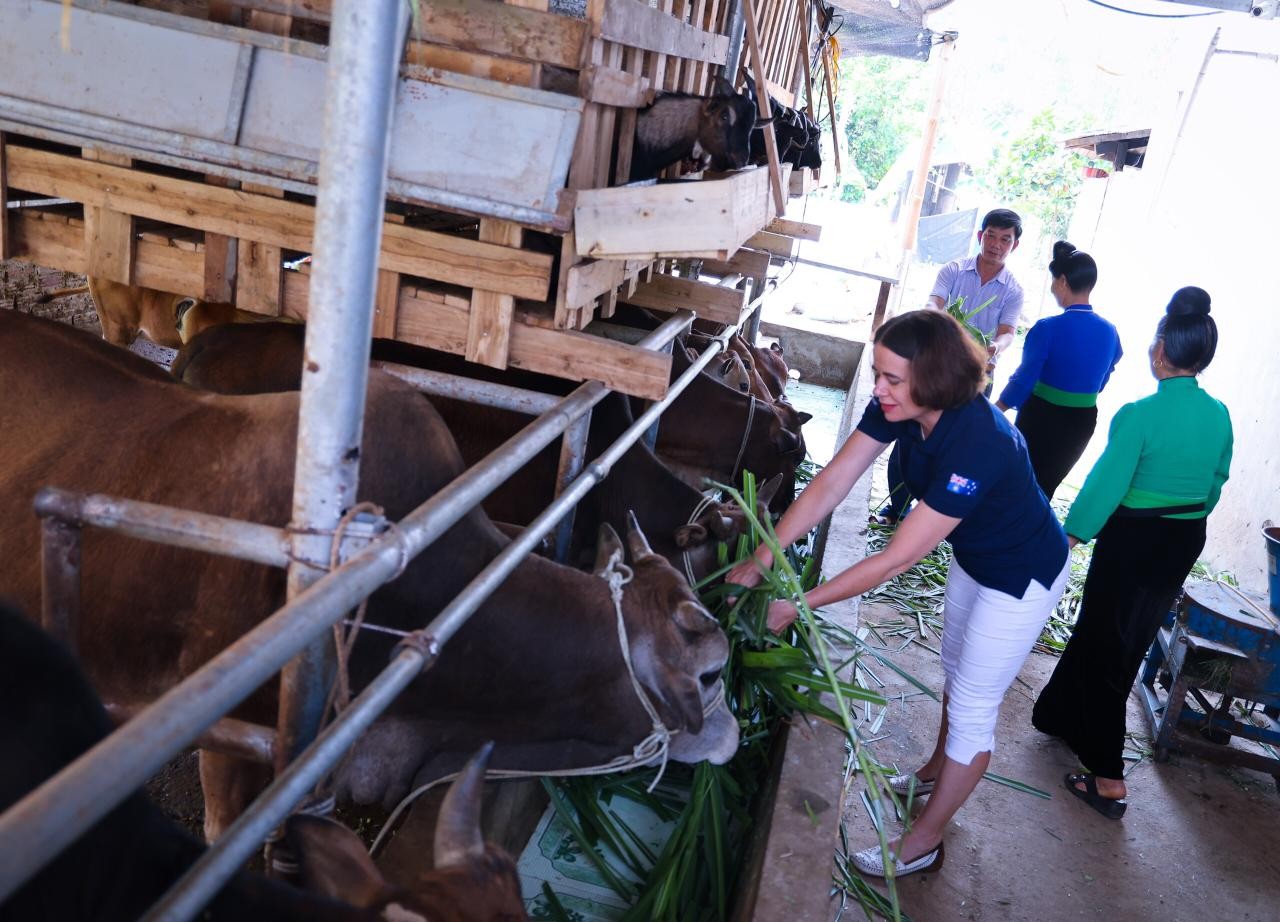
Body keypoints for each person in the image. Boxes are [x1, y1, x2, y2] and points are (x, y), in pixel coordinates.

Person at [728, 310, 1069, 878]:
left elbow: (898, 557)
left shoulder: (981, 442)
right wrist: (763, 556)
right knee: (956, 672)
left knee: (974, 709)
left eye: (891, 378)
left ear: (933, 378)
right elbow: (834, 480)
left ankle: (924, 841)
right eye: (878, 375)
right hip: (976, 559)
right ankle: (936, 770)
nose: (879, 388)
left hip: (1023, 576)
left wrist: (798, 605)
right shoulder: (902, 409)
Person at [1032, 286, 1232, 820]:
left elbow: (1105, 486)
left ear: (1160, 349)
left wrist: (1069, 536)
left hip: (1133, 540)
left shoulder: (1139, 414)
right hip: (1184, 539)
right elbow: (1215, 484)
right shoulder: (1219, 415)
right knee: (1122, 634)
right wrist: (1181, 513)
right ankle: (1059, 715)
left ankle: (1108, 778)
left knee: (1108, 648)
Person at [875, 208, 1026, 525]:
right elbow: (934, 303)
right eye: (991, 236)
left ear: (1015, 246)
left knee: (963, 447)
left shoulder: (1013, 289)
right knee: (910, 436)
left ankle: (940, 515)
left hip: (977, 376)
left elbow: (1008, 332)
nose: (996, 244)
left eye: (1005, 239)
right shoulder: (954, 270)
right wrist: (941, 324)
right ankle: (897, 509)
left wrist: (994, 348)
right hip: (935, 369)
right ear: (980, 236)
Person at [994, 241, 1123, 500]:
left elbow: (1024, 379)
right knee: (1045, 489)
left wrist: (996, 409)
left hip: (1041, 417)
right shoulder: (1110, 330)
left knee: (1020, 484)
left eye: (1053, 281)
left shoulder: (1047, 328)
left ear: (1062, 281)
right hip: (1082, 421)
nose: (1052, 287)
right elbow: (1106, 374)